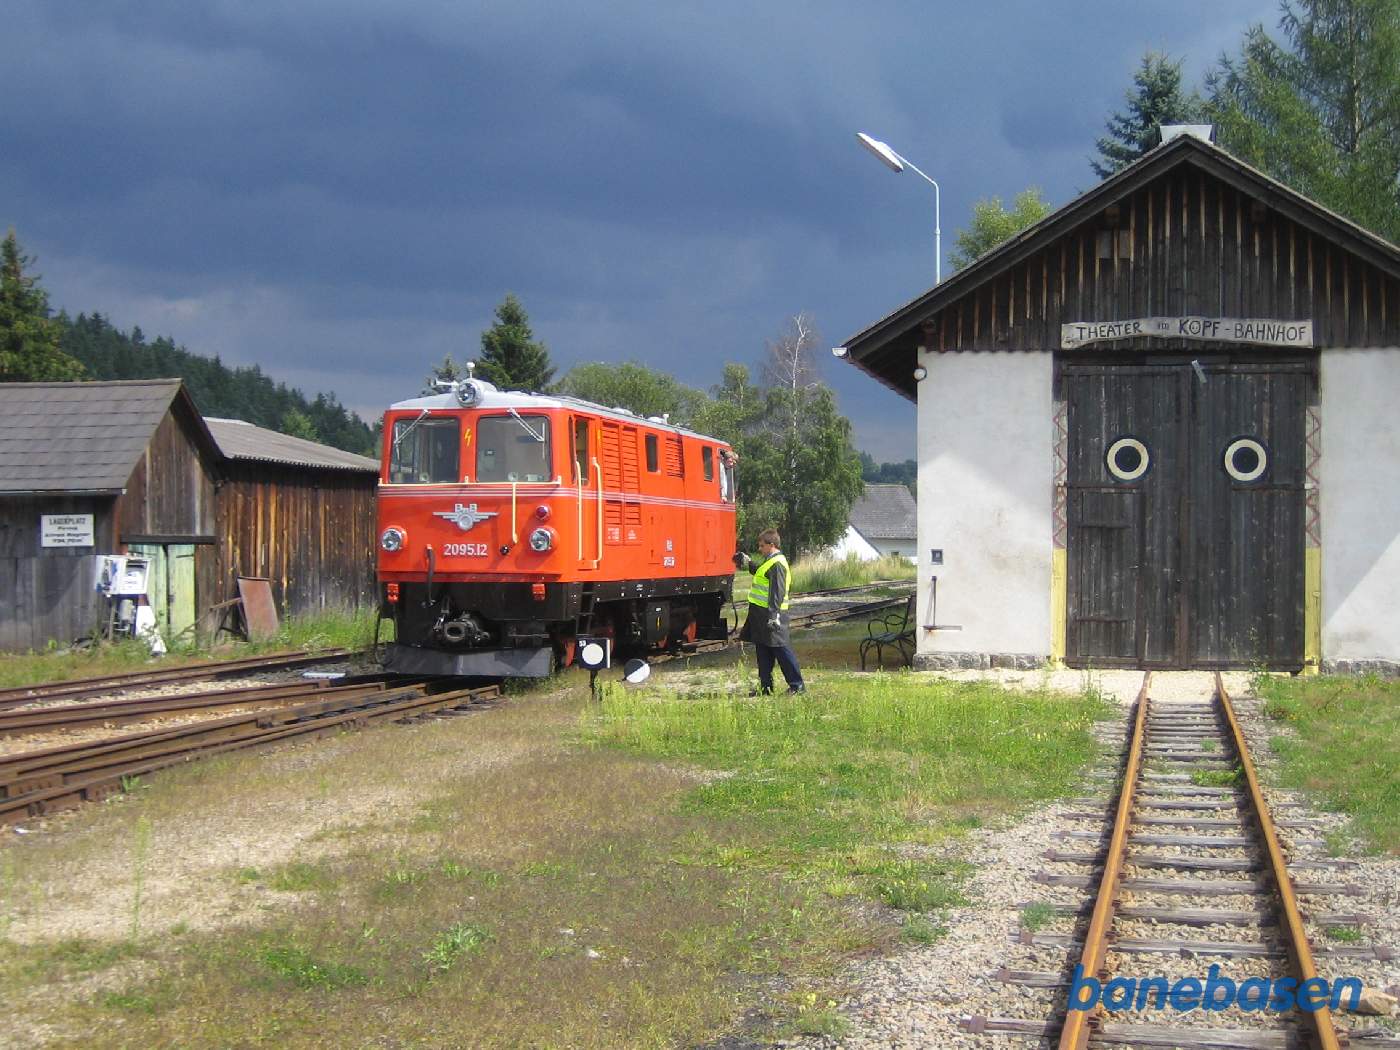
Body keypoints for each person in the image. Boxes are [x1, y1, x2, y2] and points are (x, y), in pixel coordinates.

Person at [734, 528, 806, 695]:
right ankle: (765, 688)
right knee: (763, 652)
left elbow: (777, 593)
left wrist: (774, 616)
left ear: (771, 545)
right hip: (760, 615)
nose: (759, 549)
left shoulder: (778, 564)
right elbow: (761, 572)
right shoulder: (770, 561)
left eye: (761, 546)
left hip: (771, 615)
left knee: (781, 649)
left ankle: (797, 686)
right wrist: (748, 562)